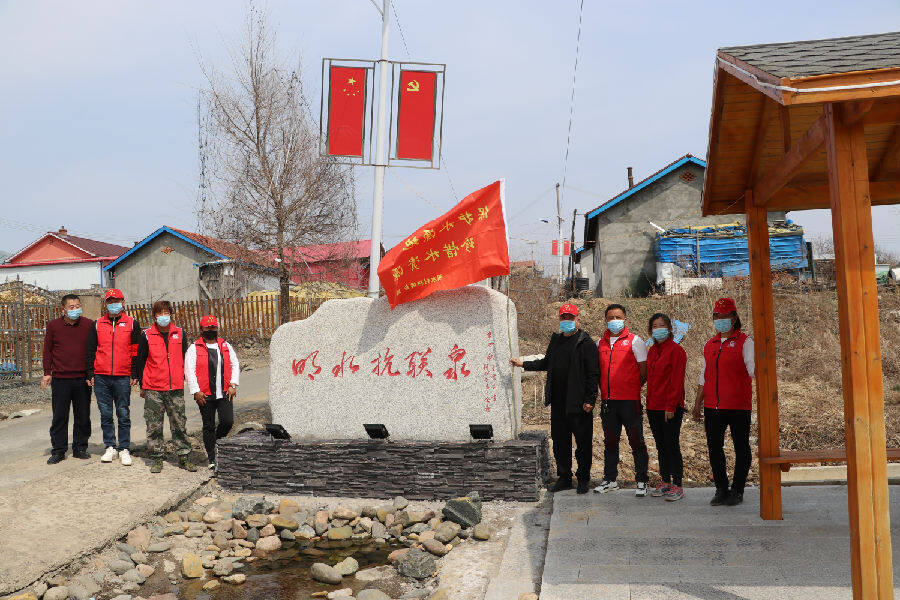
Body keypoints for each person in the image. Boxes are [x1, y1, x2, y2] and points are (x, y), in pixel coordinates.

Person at [510, 303, 599, 495]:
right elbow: (546, 362)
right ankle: (565, 478)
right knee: (560, 443)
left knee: (583, 444)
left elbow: (593, 374)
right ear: (559, 319)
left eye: (571, 318)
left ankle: (583, 479)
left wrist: (590, 400)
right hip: (559, 403)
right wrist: (522, 363)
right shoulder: (556, 340)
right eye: (563, 318)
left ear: (578, 319)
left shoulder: (586, 343)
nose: (567, 321)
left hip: (580, 404)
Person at [691, 297, 755, 507]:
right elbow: (704, 375)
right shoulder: (710, 344)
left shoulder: (746, 342)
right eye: (717, 316)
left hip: (738, 405)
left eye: (725, 316)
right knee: (714, 448)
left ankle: (737, 490)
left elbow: (754, 371)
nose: (720, 320)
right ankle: (721, 488)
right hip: (713, 406)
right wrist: (697, 402)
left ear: (734, 317)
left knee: (741, 447)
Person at [594, 303, 651, 497]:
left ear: (625, 319)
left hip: (629, 401)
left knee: (636, 441)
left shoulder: (635, 341)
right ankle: (610, 480)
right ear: (606, 320)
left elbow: (644, 371)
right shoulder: (599, 343)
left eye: (618, 317)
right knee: (610, 442)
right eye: (610, 317)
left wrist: (632, 387)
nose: (614, 321)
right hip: (608, 402)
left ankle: (642, 480)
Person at [134, 300, 196, 473]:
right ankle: (156, 458)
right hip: (153, 387)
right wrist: (142, 384)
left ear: (171, 314)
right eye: (159, 313)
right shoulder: (146, 335)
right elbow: (140, 360)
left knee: (179, 424)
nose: (163, 316)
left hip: (175, 387)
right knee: (154, 425)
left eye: (166, 312)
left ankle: (184, 457)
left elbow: (186, 358)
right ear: (154, 316)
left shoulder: (180, 333)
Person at [86, 288, 142, 466]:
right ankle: (110, 446)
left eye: (116, 301)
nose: (113, 304)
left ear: (123, 302)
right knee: (106, 414)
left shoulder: (132, 323)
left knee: (123, 413)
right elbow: (91, 350)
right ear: (106, 304)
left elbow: (136, 351)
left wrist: (134, 373)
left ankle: (124, 448)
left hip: (123, 376)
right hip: (101, 376)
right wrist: (90, 372)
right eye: (110, 302)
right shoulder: (97, 324)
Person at [42, 294, 94, 464]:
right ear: (63, 309)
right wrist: (47, 372)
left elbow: (93, 350)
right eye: (71, 307)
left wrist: (91, 374)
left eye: (78, 306)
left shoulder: (88, 325)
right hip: (61, 378)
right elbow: (47, 350)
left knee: (83, 415)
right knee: (59, 416)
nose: (75, 309)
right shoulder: (54, 326)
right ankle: (58, 450)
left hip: (82, 379)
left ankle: (80, 447)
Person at [185, 315, 240, 470]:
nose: (211, 330)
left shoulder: (225, 345)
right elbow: (189, 371)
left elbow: (234, 364)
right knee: (208, 425)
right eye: (207, 328)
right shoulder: (194, 348)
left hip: (224, 392)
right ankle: (212, 456)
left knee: (227, 421)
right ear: (201, 329)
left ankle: (217, 443)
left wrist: (233, 384)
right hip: (205, 394)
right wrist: (196, 391)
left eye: (213, 327)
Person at [645, 313, 687, 501]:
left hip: (670, 407)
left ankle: (677, 483)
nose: (658, 328)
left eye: (661, 325)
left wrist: (671, 405)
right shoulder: (652, 350)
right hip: (654, 406)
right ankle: (665, 480)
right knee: (661, 445)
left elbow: (676, 382)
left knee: (671, 444)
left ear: (670, 328)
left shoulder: (677, 351)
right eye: (654, 326)